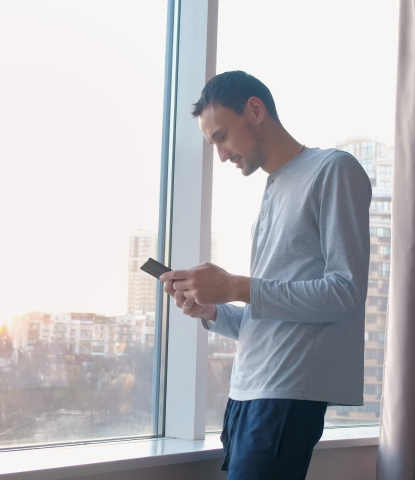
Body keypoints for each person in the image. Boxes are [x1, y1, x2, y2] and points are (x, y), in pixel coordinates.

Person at [160, 70, 371, 480]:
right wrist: (214, 310)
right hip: (246, 393)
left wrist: (236, 285)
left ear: (255, 109)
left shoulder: (332, 170)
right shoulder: (273, 188)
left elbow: (346, 293)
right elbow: (274, 315)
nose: (220, 155)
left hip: (287, 392)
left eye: (222, 137)